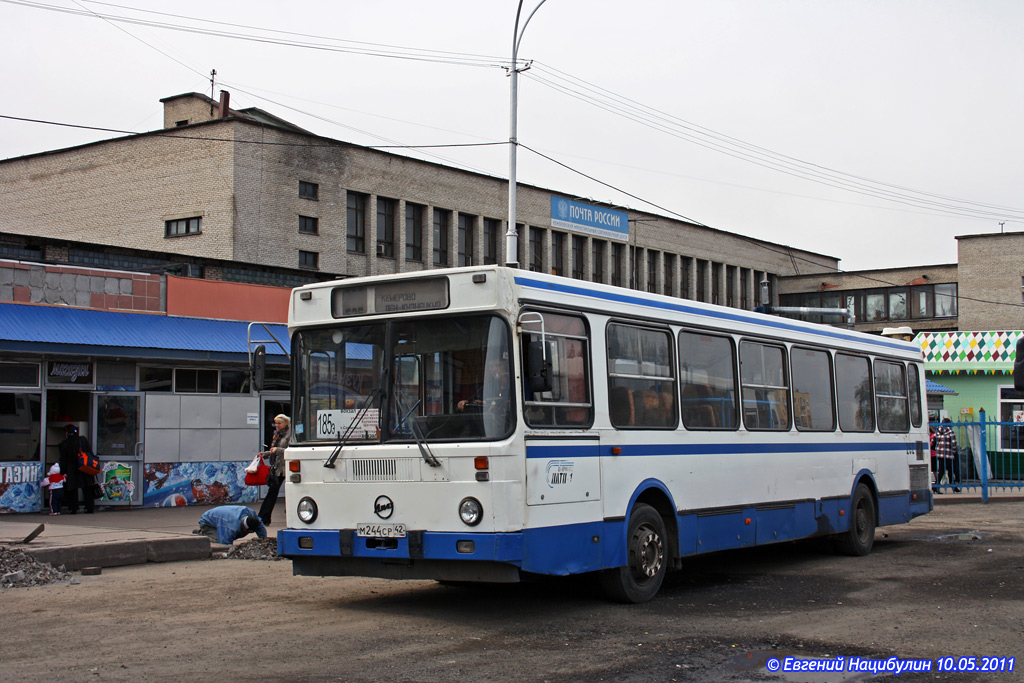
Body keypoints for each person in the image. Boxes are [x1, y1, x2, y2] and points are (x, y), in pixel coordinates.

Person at [257, 414, 290, 525]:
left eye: (279, 423)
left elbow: (291, 450)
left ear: (286, 423)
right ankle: (263, 517)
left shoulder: (291, 434)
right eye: (275, 423)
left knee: (290, 491)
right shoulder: (277, 434)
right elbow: (273, 450)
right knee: (272, 491)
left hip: (289, 466)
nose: (277, 425)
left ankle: (291, 514)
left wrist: (278, 450)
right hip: (278, 467)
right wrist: (266, 454)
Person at [58, 424, 96, 514]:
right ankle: (89, 507)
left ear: (67, 433)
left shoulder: (64, 444)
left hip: (71, 469)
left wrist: (62, 472)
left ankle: (73, 508)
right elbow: (90, 453)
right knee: (87, 488)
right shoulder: (82, 440)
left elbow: (63, 459)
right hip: (85, 466)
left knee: (72, 489)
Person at [194, 505, 267, 545]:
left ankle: (207, 532)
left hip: (219, 518)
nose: (248, 533)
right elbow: (225, 543)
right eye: (248, 531)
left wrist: (264, 540)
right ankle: (203, 534)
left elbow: (260, 526)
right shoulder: (231, 527)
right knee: (217, 541)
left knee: (235, 533)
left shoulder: (251, 513)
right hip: (207, 522)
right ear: (244, 526)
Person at [933, 418, 962, 493]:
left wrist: (938, 449)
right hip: (949, 455)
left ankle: (952, 487)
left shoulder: (938, 431)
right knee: (950, 471)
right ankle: (938, 486)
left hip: (940, 455)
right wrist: (954, 451)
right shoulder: (950, 432)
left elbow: (934, 442)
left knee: (942, 470)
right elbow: (954, 444)